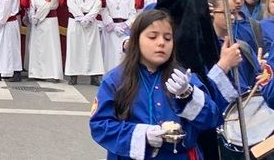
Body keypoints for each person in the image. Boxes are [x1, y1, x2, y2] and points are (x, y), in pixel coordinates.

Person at [90, 10, 220, 159]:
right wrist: (141, 134)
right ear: (136, 40)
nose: (161, 43)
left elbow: (211, 119)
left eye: (168, 38)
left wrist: (188, 96)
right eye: (152, 37)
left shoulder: (183, 78)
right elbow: (100, 125)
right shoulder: (116, 79)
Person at [65, 0, 104, 86]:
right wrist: (80, 16)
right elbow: (70, 2)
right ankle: (73, 75)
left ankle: (94, 75)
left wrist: (90, 17)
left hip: (91, 20)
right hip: (76, 20)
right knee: (74, 47)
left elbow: (99, 3)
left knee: (93, 48)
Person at [27, 0, 64, 82]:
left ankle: (52, 73)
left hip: (47, 20)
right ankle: (37, 72)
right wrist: (33, 14)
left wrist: (38, 16)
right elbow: (34, 0)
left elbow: (47, 3)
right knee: (37, 46)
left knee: (49, 46)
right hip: (37, 17)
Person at [100, 0, 137, 72]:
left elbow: (133, 13)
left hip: (124, 28)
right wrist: (113, 25)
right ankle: (108, 75)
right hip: (112, 28)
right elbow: (104, 11)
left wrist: (126, 25)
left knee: (123, 53)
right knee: (110, 54)